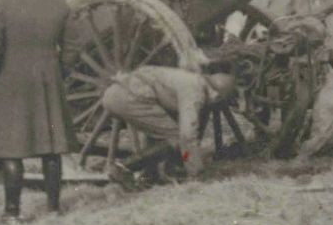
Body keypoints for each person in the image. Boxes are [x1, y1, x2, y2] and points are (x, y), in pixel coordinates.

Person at [0, 0, 74, 220]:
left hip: (10, 86)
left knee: (11, 148)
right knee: (52, 146)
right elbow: (72, 51)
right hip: (48, 85)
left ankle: (12, 213)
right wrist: (56, 75)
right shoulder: (58, 4)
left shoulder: (1, 5)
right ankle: (53, 209)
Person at [99, 66, 237, 178]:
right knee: (176, 138)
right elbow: (187, 136)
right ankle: (123, 168)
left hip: (117, 93)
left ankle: (150, 175)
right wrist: (196, 172)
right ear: (217, 95)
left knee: (160, 133)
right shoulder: (195, 91)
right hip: (129, 98)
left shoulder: (190, 79)